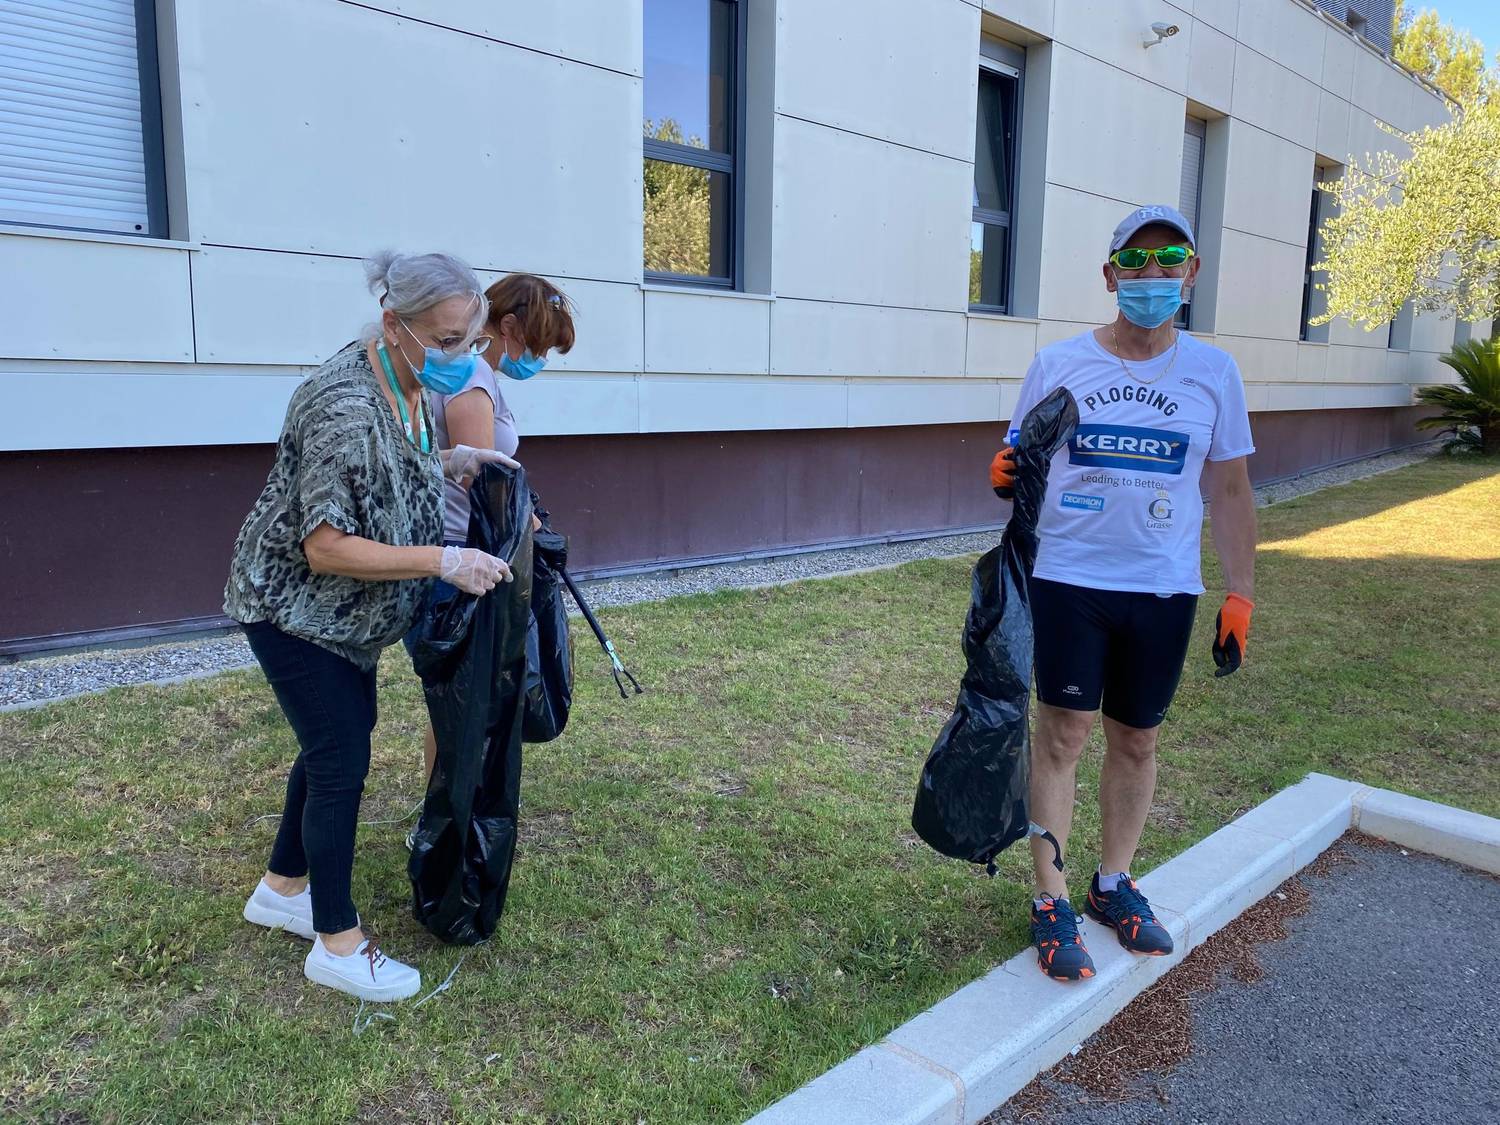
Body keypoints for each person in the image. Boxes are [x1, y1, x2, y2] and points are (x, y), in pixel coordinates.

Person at [227, 251, 517, 1001]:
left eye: (469, 339)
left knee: (335, 734)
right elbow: (323, 546)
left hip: (346, 621)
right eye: (447, 338)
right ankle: (337, 940)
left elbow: (397, 461)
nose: (462, 356)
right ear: (395, 323)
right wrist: (443, 559)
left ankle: (281, 887)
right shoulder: (342, 404)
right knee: (340, 755)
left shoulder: (407, 380)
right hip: (293, 609)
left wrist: (452, 460)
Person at [988, 204, 1257, 982]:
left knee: (1136, 737)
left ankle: (1113, 883)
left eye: (1169, 257)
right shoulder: (1061, 363)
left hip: (1163, 587)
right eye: (1134, 262)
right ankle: (1051, 895)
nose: (1152, 274)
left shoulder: (1214, 374)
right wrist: (1003, 473)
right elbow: (1018, 455)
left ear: (1191, 273)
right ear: (1110, 276)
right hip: (1070, 577)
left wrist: (1240, 593)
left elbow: (1232, 489)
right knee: (1063, 733)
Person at [407, 273, 577, 786]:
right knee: (464, 696)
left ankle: (448, 808)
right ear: (507, 327)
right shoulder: (472, 380)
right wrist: (521, 521)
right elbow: (485, 485)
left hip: (456, 552)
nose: (540, 360)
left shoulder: (470, 374)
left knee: (455, 695)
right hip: (464, 558)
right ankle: (451, 815)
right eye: (540, 346)